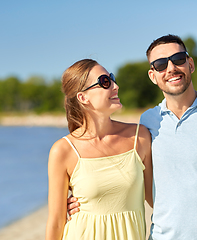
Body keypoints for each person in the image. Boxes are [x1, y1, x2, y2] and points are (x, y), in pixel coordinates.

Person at [67, 34, 197, 240]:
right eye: (161, 64)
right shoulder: (147, 123)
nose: (171, 68)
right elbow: (138, 184)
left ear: (190, 64)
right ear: (153, 76)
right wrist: (81, 199)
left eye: (178, 59)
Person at [45, 59, 153, 240]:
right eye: (105, 82)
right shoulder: (63, 150)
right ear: (83, 97)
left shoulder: (139, 136)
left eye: (112, 78)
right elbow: (56, 221)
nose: (115, 86)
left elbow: (156, 198)